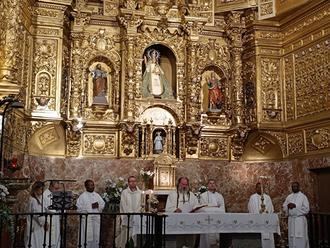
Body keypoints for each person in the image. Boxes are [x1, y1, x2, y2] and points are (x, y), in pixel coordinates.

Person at [165, 177, 199, 248]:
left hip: (190, 221)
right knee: (179, 241)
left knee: (190, 242)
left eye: (186, 184)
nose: (184, 186)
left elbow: (196, 205)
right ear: (178, 184)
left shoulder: (192, 195)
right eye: (183, 184)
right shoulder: (172, 194)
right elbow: (168, 207)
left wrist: (194, 209)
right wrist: (175, 209)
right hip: (178, 221)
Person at [76, 179, 105, 248]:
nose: (92, 187)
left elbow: (102, 204)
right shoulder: (82, 196)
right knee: (86, 238)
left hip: (96, 220)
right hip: (86, 220)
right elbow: (79, 209)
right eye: (90, 185)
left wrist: (98, 206)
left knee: (96, 237)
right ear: (86, 186)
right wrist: (90, 206)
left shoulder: (97, 195)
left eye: (93, 185)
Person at [116, 176, 142, 248]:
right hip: (127, 217)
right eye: (131, 181)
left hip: (137, 218)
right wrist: (130, 214)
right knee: (125, 237)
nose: (133, 183)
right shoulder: (124, 193)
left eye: (134, 181)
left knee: (135, 238)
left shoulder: (140, 193)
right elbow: (123, 205)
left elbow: (141, 205)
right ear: (128, 183)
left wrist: (136, 214)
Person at [199, 179, 226, 248]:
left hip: (218, 221)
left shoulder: (220, 196)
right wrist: (216, 208)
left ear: (215, 185)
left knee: (217, 239)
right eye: (210, 183)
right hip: (207, 221)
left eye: (213, 183)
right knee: (207, 239)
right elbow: (203, 209)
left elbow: (222, 209)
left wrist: (212, 208)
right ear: (207, 185)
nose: (212, 184)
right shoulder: (203, 196)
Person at [283, 182, 310, 248]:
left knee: (301, 238)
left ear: (298, 187)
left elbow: (307, 209)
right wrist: (287, 206)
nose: (294, 188)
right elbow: (284, 206)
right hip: (291, 220)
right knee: (292, 237)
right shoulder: (289, 196)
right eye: (293, 186)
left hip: (299, 220)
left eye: (296, 186)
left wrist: (295, 206)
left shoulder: (303, 197)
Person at [248, 182, 275, 248]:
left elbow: (270, 208)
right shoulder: (253, 197)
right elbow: (251, 208)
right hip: (256, 221)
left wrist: (264, 212)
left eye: (261, 188)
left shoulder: (267, 197)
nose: (260, 189)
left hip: (266, 221)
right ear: (256, 188)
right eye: (258, 187)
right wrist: (258, 213)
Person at [25, 181, 48, 248]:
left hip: (38, 226)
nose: (42, 191)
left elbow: (43, 209)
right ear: (36, 189)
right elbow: (37, 214)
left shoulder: (38, 198)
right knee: (35, 243)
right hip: (35, 226)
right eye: (41, 189)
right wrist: (45, 222)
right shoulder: (33, 200)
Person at [42, 181, 61, 248]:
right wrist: (54, 209)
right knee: (49, 238)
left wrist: (61, 208)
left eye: (57, 188)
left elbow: (61, 206)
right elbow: (44, 207)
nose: (56, 190)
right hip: (49, 218)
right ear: (50, 186)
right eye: (55, 188)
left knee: (56, 236)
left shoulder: (57, 194)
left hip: (56, 219)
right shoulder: (45, 194)